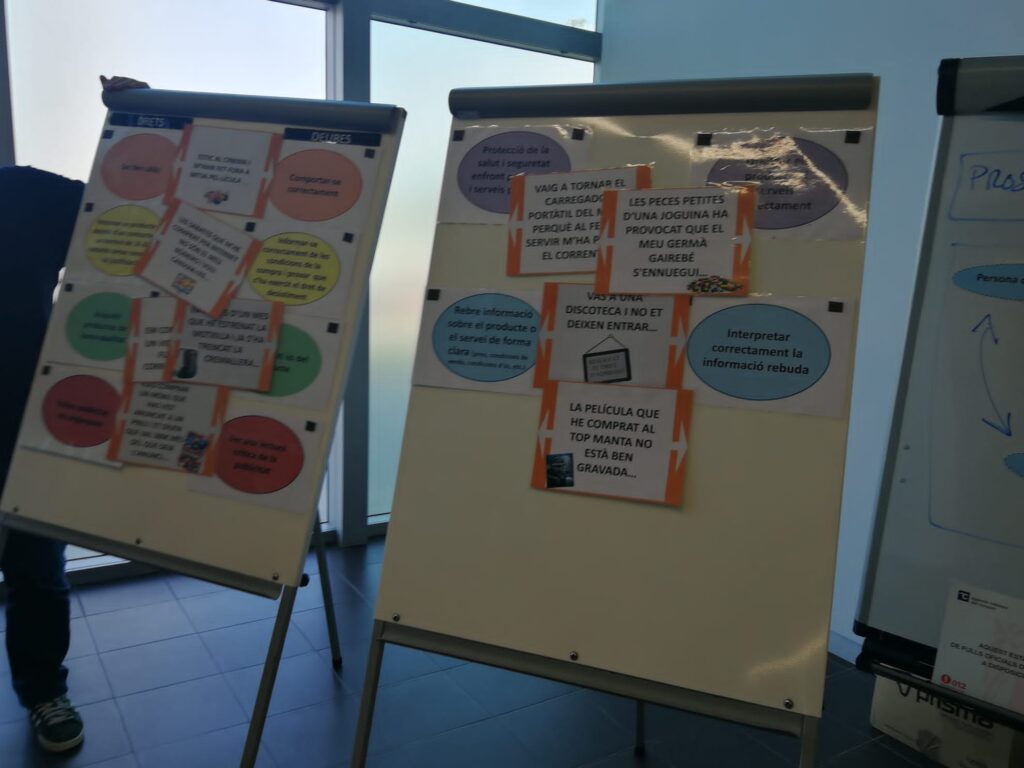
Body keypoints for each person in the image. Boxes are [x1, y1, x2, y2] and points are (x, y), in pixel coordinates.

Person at [0, 75, 148, 754]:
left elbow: (126, 218)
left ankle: (44, 691)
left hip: (28, 419)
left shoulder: (24, 194)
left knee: (36, 568)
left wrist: (144, 124)